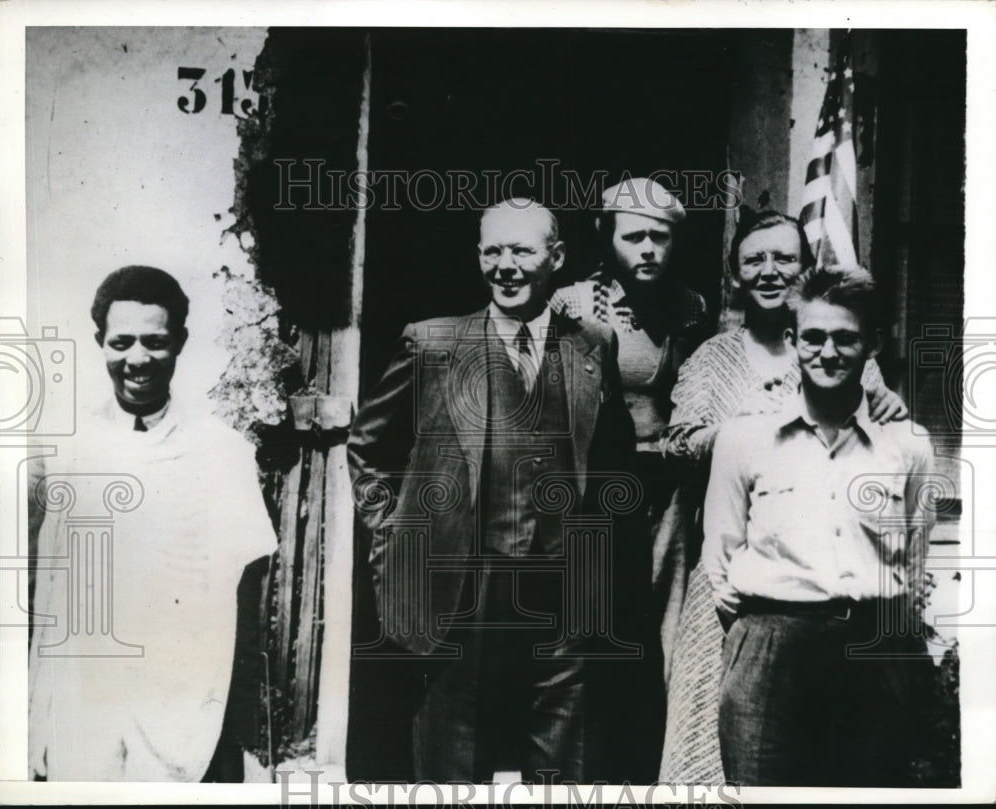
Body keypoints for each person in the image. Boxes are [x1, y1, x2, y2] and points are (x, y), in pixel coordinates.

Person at [348, 199, 636, 782]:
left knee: (563, 751)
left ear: (555, 258)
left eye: (522, 250)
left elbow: (612, 461)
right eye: (492, 251)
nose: (505, 266)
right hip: (461, 580)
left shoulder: (593, 345)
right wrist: (394, 539)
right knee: (454, 750)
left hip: (563, 584)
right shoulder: (431, 344)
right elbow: (368, 448)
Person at [659, 209, 907, 782]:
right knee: (715, 737)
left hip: (824, 586)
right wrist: (750, 425)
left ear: (805, 267)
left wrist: (886, 410)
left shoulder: (838, 346)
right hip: (734, 573)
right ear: (736, 273)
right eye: (754, 260)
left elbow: (883, 441)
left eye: (784, 257)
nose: (769, 270)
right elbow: (679, 444)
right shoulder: (713, 358)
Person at [28, 266, 278, 781]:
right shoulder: (70, 450)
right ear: (100, 342)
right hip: (87, 704)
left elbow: (247, 598)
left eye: (155, 342)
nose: (137, 359)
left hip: (184, 710)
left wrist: (239, 730)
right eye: (121, 342)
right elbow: (49, 591)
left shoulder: (222, 451)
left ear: (180, 343)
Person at [702, 265, 934, 786]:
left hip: (876, 649)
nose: (828, 352)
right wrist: (761, 636)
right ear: (792, 340)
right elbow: (719, 557)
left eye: (846, 338)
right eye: (813, 337)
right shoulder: (744, 438)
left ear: (872, 343)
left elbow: (915, 560)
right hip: (770, 648)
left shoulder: (909, 444)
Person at [550, 177, 707, 779]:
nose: (648, 250)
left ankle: (662, 769)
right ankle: (583, 770)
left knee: (665, 623)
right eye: (634, 235)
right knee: (593, 624)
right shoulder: (571, 303)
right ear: (607, 237)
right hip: (595, 494)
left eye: (660, 238)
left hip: (667, 491)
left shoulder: (688, 309)